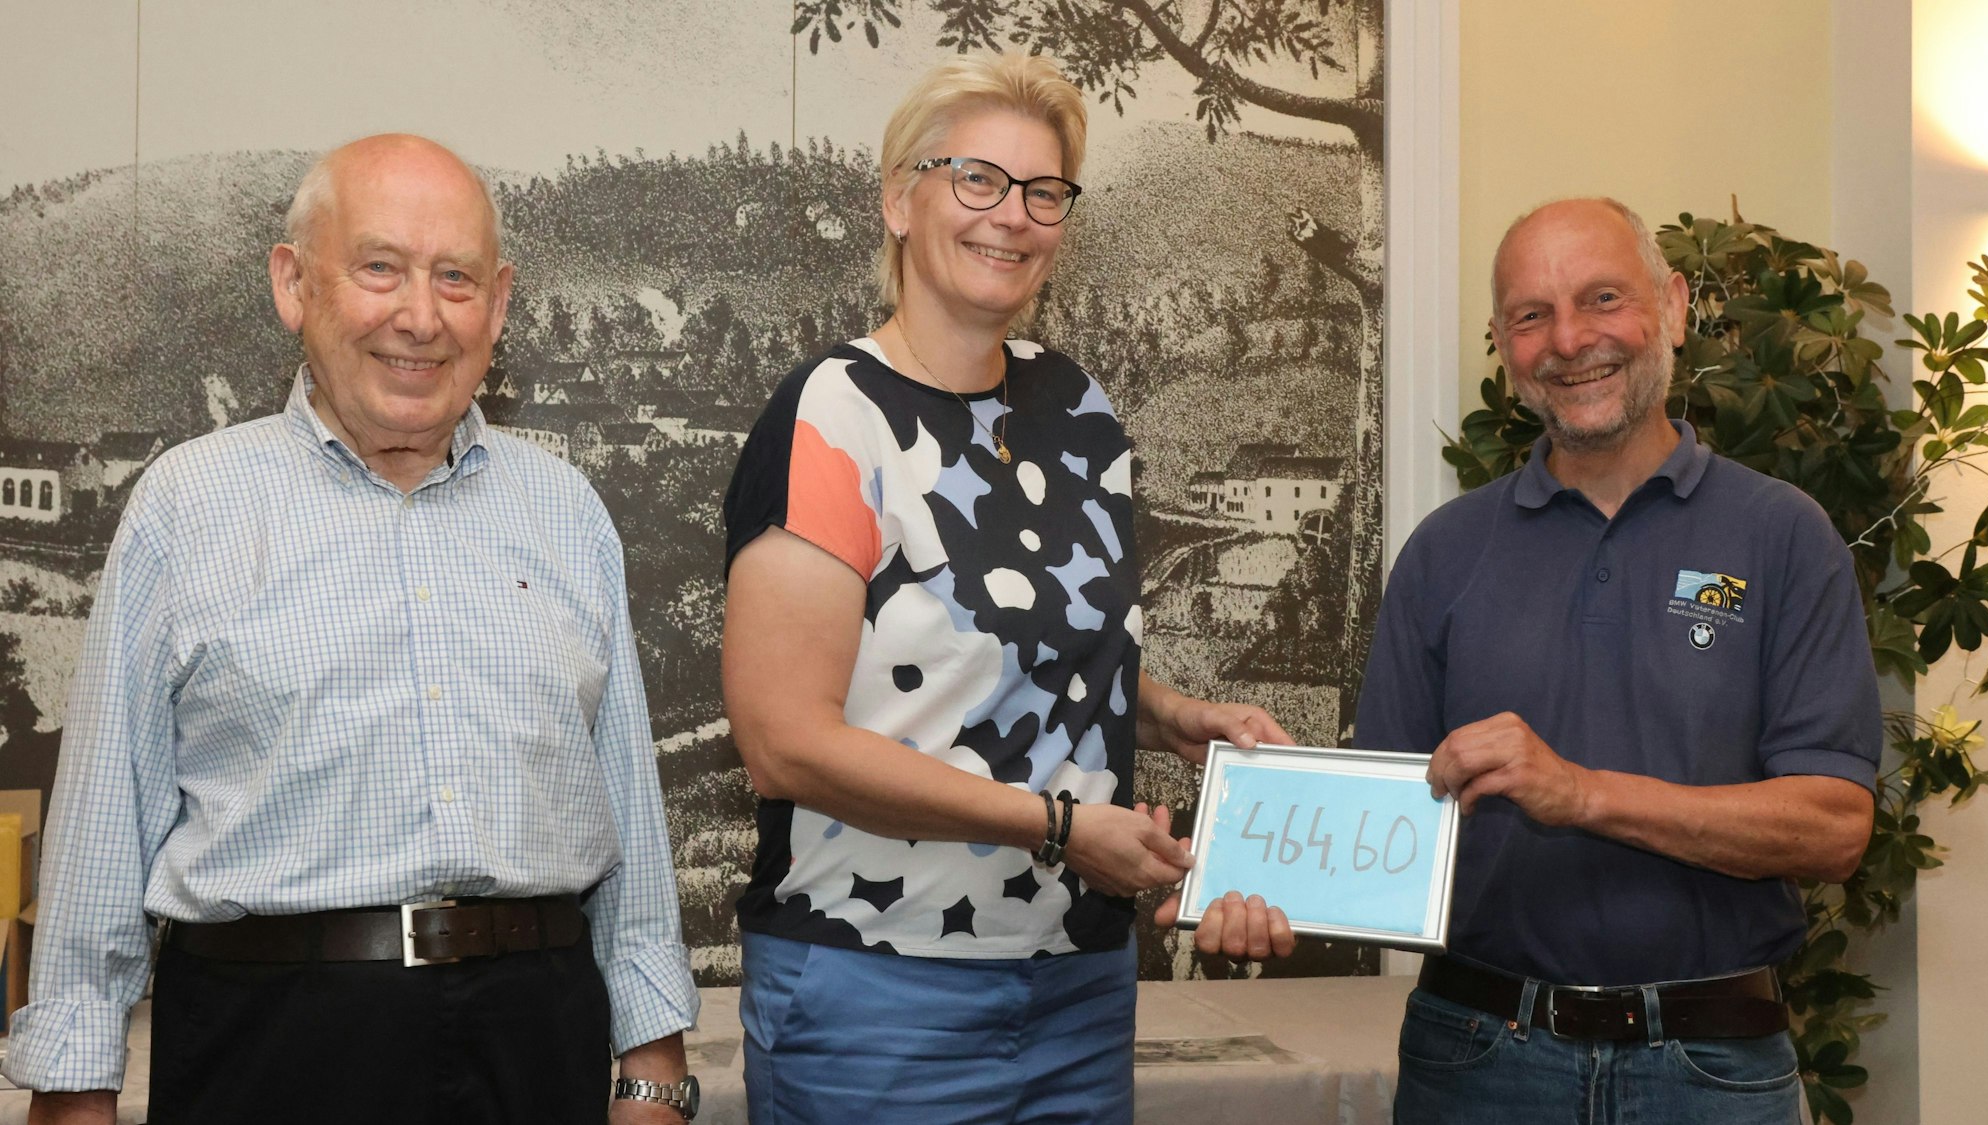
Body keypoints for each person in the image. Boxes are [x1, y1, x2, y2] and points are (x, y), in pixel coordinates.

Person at [4, 135, 700, 1125]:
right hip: (271, 1045)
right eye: (380, 268)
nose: (420, 317)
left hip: (535, 1040)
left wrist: (653, 1077)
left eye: (454, 278)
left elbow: (623, 807)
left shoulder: (566, 510)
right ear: (295, 285)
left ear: (497, 307)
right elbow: (103, 828)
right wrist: (73, 1094)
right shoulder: (186, 505)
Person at [720, 52, 1294, 1124]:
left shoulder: (1076, 408)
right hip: (875, 992)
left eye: (1041, 191)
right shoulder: (829, 416)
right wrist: (1056, 825)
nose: (1011, 217)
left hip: (1075, 987)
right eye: (975, 180)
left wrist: (1169, 714)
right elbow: (781, 741)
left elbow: (1025, 640)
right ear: (900, 199)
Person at [1341, 197, 1877, 1123]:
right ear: (1504, 345)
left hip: (1714, 1069)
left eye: (1601, 298)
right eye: (1531, 315)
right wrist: (1248, 888)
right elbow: (1376, 828)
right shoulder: (1444, 552)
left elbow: (1833, 829)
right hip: (1476, 1061)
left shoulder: (1785, 535)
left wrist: (1580, 792)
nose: (1570, 339)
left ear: (1670, 307)